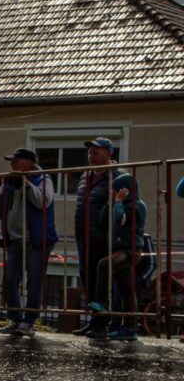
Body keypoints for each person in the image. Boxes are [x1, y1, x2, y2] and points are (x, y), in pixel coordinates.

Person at [0, 148, 58, 336]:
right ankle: (15, 319)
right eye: (12, 161)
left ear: (30, 163)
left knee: (34, 281)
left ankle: (29, 322)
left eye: (16, 161)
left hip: (36, 240)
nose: (12, 165)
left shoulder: (43, 178)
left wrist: (25, 182)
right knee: (9, 281)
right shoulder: (10, 181)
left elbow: (42, 202)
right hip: (15, 241)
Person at [89, 173, 148, 341]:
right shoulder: (119, 204)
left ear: (126, 190)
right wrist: (111, 202)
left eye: (115, 189)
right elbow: (103, 219)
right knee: (126, 289)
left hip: (130, 251)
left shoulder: (138, 205)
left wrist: (118, 202)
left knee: (104, 264)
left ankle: (100, 302)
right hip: (119, 249)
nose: (112, 192)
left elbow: (120, 219)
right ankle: (130, 328)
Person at [73, 138, 117, 335]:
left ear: (109, 154)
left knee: (102, 282)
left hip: (102, 237)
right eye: (90, 153)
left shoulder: (117, 175)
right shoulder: (86, 175)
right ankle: (93, 320)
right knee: (87, 279)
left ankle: (103, 324)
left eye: (96, 152)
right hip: (83, 237)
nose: (91, 156)